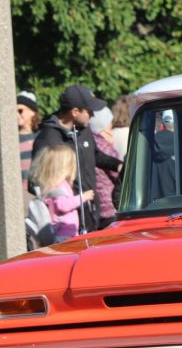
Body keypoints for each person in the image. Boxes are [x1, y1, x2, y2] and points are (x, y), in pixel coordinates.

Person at [33, 85, 121, 233]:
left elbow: (95, 155)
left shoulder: (83, 129)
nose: (92, 115)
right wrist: (64, 200)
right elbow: (37, 179)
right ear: (75, 112)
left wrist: (118, 165)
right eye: (89, 111)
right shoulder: (48, 138)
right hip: (64, 218)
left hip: (90, 210)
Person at [30, 144, 92, 242]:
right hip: (64, 234)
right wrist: (83, 197)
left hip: (66, 232)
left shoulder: (53, 184)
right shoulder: (59, 185)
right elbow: (62, 205)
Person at [88, 106, 122, 229]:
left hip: (98, 207)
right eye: (109, 122)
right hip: (109, 207)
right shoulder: (104, 146)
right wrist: (112, 146)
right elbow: (119, 174)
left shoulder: (92, 142)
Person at [16, 91, 40, 195]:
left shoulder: (40, 138)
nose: (16, 115)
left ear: (32, 112)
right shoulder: (11, 141)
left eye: (20, 110)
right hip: (18, 195)